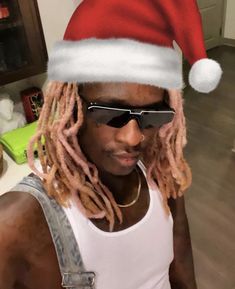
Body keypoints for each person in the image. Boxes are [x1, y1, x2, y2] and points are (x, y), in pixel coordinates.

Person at [0, 1, 222, 289]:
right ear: (73, 106)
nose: (133, 138)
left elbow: (181, 273)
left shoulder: (164, 180)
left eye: (152, 114)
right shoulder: (14, 225)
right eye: (111, 113)